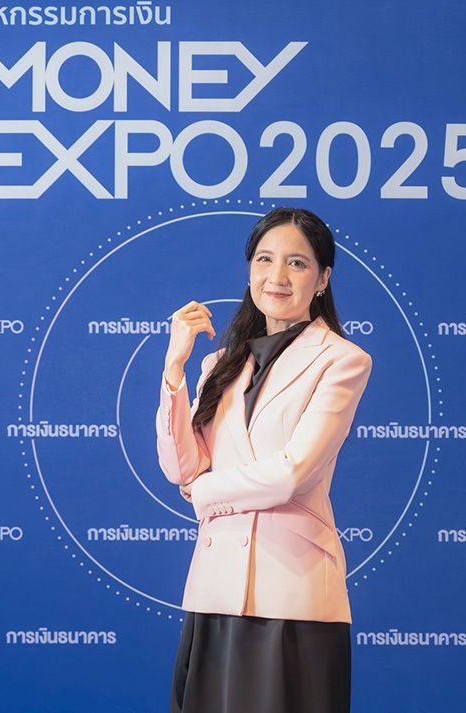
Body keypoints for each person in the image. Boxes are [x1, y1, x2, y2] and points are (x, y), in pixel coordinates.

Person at [157, 207, 372, 713]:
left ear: (323, 279)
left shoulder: (343, 360)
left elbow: (292, 473)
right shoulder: (220, 364)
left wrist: (205, 493)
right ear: (250, 269)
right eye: (264, 259)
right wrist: (174, 367)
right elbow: (181, 468)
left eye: (297, 263)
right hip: (215, 588)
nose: (277, 276)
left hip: (292, 592)